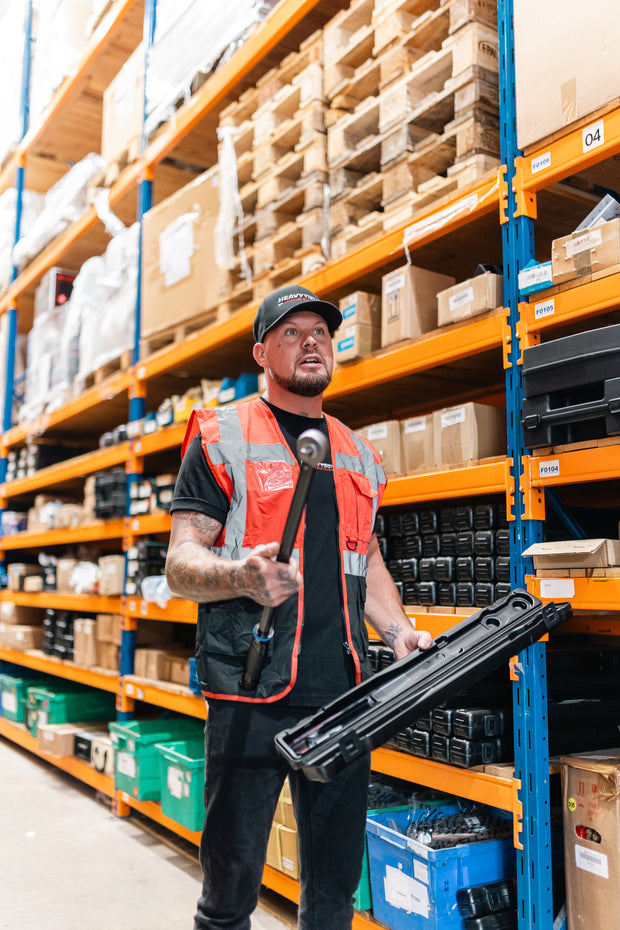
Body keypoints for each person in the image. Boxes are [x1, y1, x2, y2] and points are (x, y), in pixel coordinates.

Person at [165, 284, 432, 930]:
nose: (311, 340)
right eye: (291, 332)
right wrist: (240, 576)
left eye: (321, 331)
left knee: (334, 896)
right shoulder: (223, 434)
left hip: (340, 698)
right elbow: (180, 565)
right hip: (250, 694)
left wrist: (398, 633)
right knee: (228, 894)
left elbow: (364, 561)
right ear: (261, 352)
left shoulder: (360, 454)